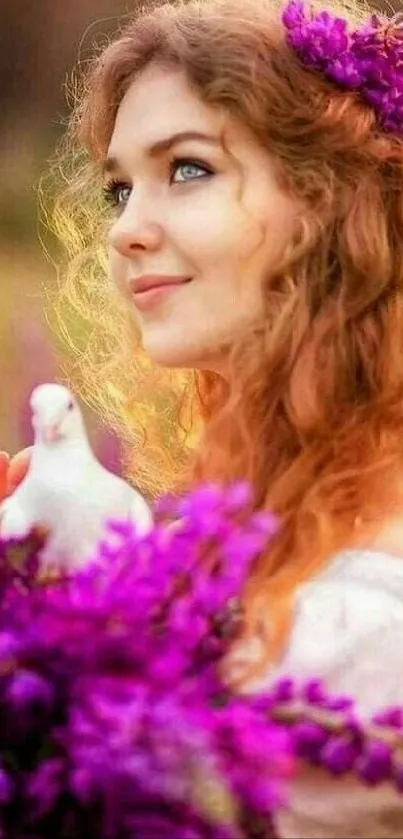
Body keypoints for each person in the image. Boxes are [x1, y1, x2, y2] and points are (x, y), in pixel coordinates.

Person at [3, 0, 403, 834]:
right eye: (119, 189)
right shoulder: (252, 511)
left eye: (186, 168)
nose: (123, 232)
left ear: (331, 200)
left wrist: (94, 591)